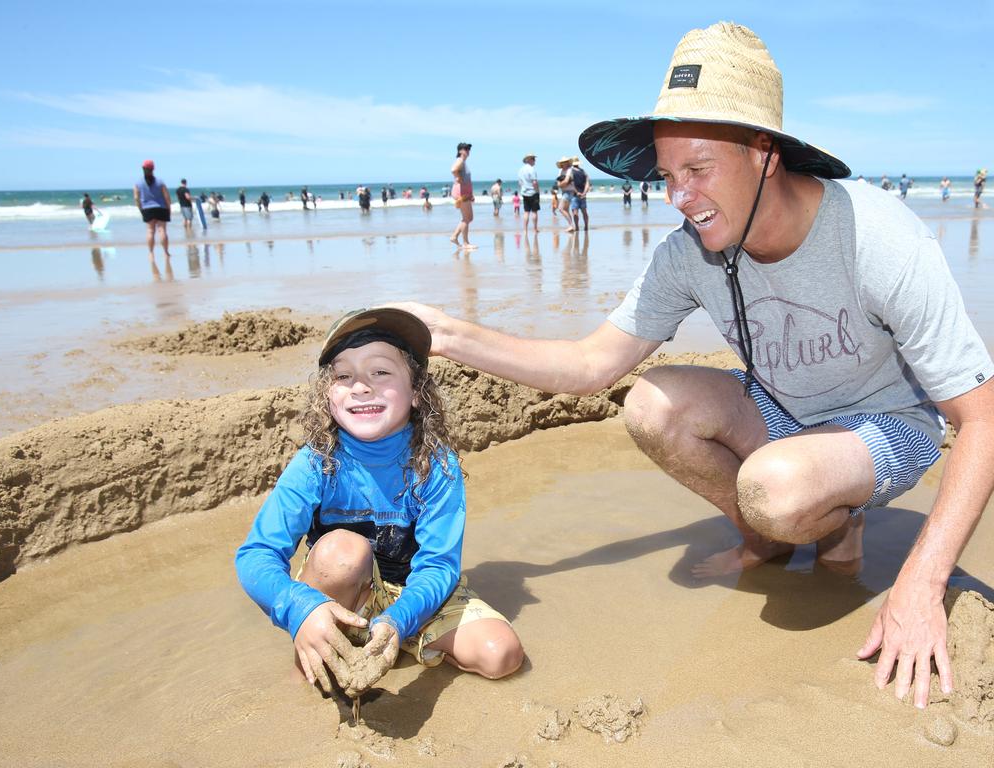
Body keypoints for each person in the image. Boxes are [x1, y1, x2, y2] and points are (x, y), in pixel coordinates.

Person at [395, 21, 994, 711]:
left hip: (888, 424)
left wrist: (921, 583)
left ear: (764, 152)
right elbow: (592, 363)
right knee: (651, 404)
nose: (680, 197)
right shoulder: (689, 253)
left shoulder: (879, 237)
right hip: (781, 410)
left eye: (699, 170)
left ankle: (830, 514)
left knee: (775, 487)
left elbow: (978, 419)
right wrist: (443, 332)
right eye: (668, 176)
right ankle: (770, 534)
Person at [235, 307, 524, 696]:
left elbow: (439, 566)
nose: (361, 386)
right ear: (327, 394)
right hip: (345, 592)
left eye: (380, 372)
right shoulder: (315, 463)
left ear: (418, 392)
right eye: (344, 375)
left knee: (501, 654)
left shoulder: (438, 466)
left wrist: (398, 620)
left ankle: (393, 639)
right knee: (341, 551)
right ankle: (317, 656)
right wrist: (298, 606)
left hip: (417, 596)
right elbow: (256, 554)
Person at [133, 159, 172, 260]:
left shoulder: (138, 183)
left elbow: (136, 198)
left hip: (147, 209)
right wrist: (169, 208)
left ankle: (151, 253)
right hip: (161, 208)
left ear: (143, 169)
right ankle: (166, 252)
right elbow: (167, 197)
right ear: (153, 169)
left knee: (150, 231)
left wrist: (140, 209)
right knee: (162, 230)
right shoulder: (160, 182)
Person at [450, 142, 476, 249]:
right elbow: (453, 170)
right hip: (461, 192)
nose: (468, 151)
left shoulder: (463, 162)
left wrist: (471, 194)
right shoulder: (460, 160)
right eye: (466, 149)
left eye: (469, 149)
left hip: (465, 193)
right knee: (467, 218)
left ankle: (455, 237)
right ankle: (465, 243)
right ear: (460, 151)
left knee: (468, 218)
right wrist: (458, 178)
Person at [517, 153, 540, 232]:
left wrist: (523, 190)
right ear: (529, 160)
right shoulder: (531, 169)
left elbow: (520, 183)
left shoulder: (521, 170)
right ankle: (535, 228)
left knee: (526, 212)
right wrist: (537, 191)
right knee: (534, 211)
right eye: (533, 159)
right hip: (533, 192)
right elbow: (534, 182)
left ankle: (525, 229)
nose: (535, 161)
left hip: (524, 192)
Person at [570, 158, 592, 232]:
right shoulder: (583, 171)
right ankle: (585, 227)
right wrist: (584, 192)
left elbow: (571, 183)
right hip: (581, 194)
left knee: (576, 212)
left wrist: (579, 192)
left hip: (575, 194)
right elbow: (587, 182)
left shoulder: (571, 171)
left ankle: (578, 227)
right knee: (583, 211)